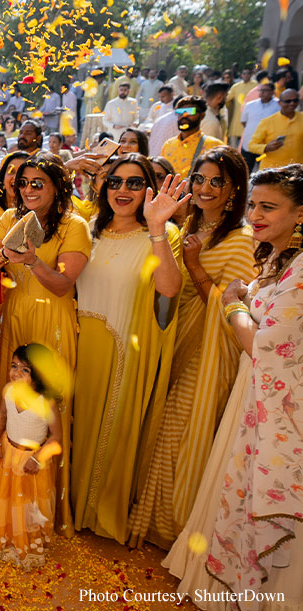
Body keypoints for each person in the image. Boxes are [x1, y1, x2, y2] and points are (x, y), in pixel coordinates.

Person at [163, 164, 303, 609]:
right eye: (255, 205)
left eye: (268, 207)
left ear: (300, 214)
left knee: (268, 503)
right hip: (258, 397)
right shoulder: (279, 258)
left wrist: (232, 303)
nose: (256, 215)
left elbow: (261, 346)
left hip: (281, 406)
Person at [127, 147, 255, 550]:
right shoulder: (188, 226)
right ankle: (145, 518)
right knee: (160, 422)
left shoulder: (242, 240)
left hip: (209, 354)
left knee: (184, 431)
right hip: (173, 339)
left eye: (217, 181)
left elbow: (235, 308)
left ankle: (174, 528)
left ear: (235, 190)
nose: (204, 188)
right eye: (199, 178)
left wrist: (196, 264)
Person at [71, 154, 187, 544]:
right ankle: (66, 506)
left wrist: (156, 227)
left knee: (109, 431)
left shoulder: (162, 235)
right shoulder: (88, 229)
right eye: (116, 181)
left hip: (121, 350)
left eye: (135, 183)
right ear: (103, 185)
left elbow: (169, 289)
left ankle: (96, 511)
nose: (123, 190)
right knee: (72, 426)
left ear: (149, 189)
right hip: (78, 344)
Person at [0, 151, 92, 537]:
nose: (27, 189)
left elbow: (63, 285)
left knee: (48, 408)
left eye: (37, 183)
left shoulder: (74, 226)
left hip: (53, 319)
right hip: (18, 315)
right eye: (22, 183)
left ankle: (45, 511)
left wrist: (30, 262)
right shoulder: (10, 218)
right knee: (14, 398)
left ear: (58, 186)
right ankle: (8, 499)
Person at [0, 343, 63, 570]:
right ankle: (3, 531)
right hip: (9, 454)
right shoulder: (9, 391)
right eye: (14, 366)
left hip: (31, 461)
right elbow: (2, 413)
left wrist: (37, 459)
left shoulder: (45, 402)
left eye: (25, 370)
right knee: (5, 496)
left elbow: (57, 436)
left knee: (26, 504)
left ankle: (23, 538)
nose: (15, 373)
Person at [161, 96, 224, 177]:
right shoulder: (168, 145)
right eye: (180, 112)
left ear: (202, 116)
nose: (184, 115)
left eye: (190, 111)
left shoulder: (214, 146)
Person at [249, 88, 302, 169]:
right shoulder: (267, 122)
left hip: (296, 171)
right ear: (279, 103)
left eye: (295, 100)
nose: (292, 103)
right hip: (272, 171)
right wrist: (266, 147)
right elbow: (252, 146)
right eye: (288, 101)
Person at [226, 68, 255, 147]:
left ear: (251, 75)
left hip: (250, 117)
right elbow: (227, 98)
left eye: (248, 73)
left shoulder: (256, 86)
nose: (246, 75)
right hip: (237, 118)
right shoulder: (236, 86)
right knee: (233, 144)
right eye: (244, 73)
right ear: (241, 75)